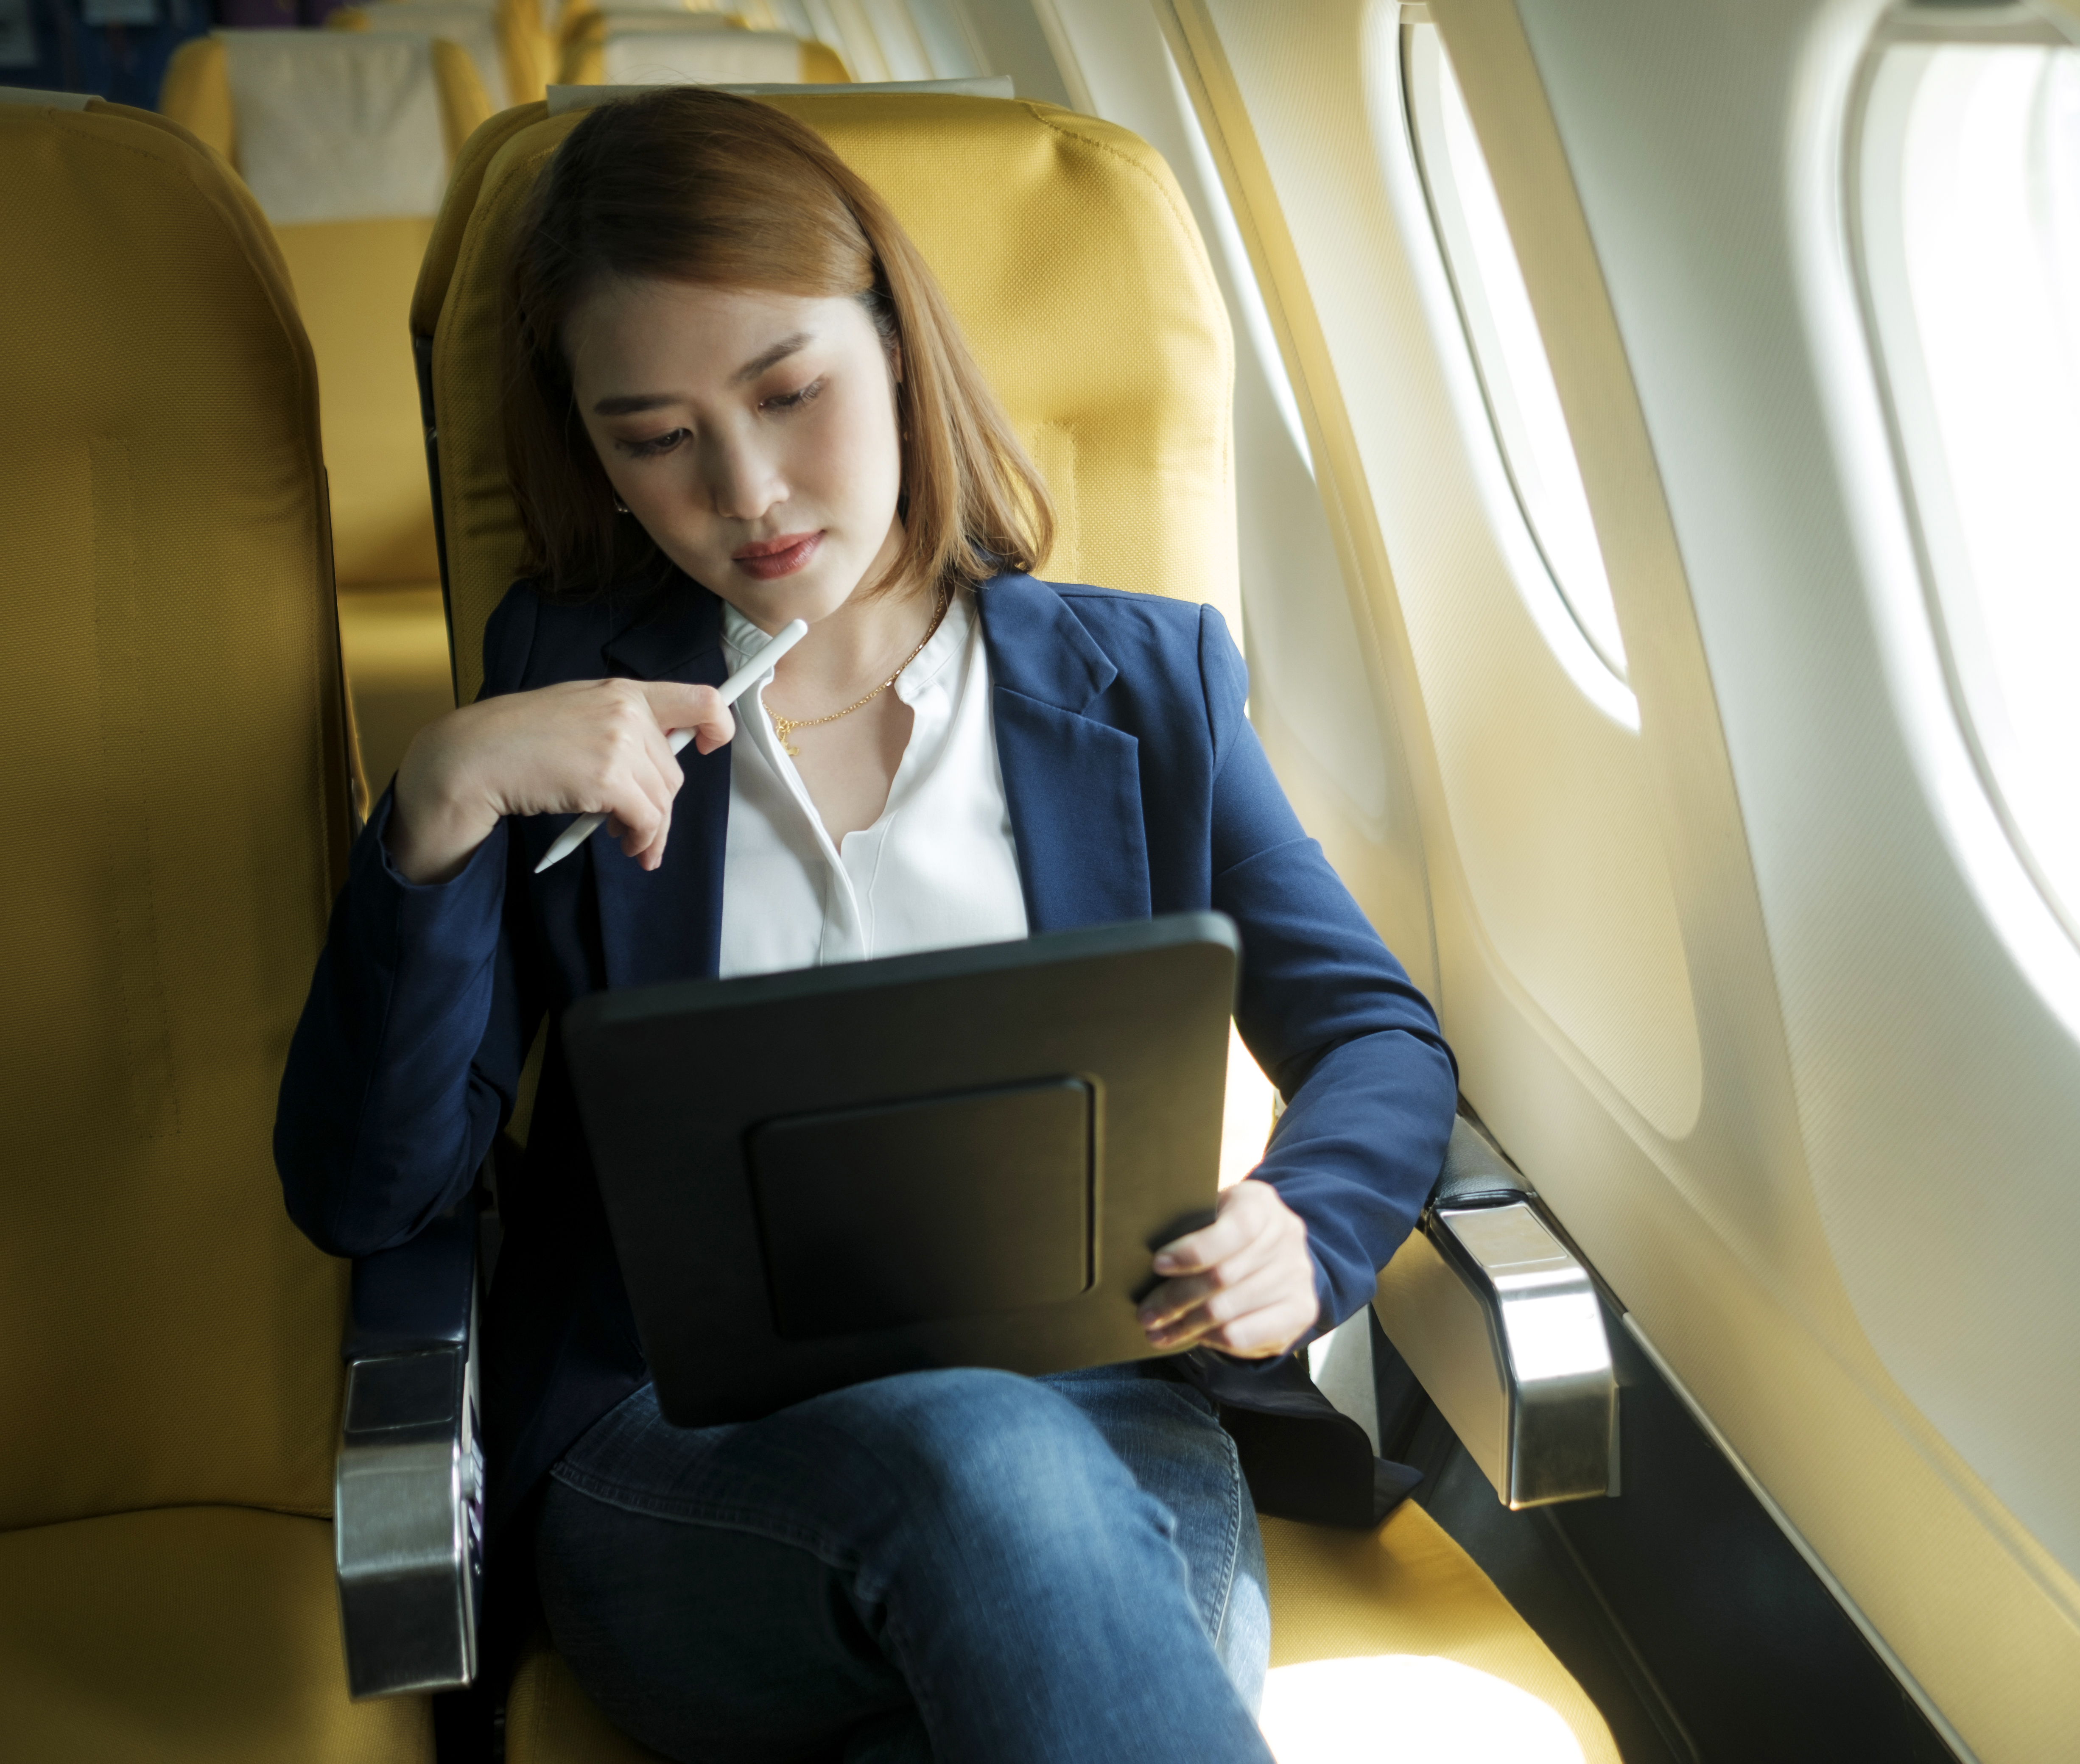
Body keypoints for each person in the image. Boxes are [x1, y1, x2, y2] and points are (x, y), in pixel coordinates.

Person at [274, 88, 1456, 1763]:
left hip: (1107, 1431)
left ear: (896, 344)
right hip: (678, 1462)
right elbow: (372, 1189)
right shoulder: (560, 687)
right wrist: (439, 806)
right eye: (657, 436)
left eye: (788, 391)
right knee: (986, 1474)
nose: (745, 489)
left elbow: (1378, 1034)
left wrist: (1308, 1223)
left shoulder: (1143, 680)